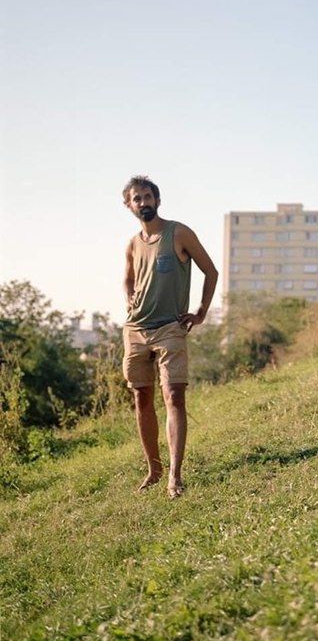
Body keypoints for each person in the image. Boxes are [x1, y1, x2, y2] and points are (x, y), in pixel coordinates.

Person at [122, 175, 218, 497]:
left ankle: (174, 476)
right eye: (138, 199)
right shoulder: (133, 243)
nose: (144, 203)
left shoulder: (179, 233)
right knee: (141, 399)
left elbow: (211, 271)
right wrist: (129, 296)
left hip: (170, 328)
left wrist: (202, 310)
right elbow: (127, 279)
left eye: (148, 197)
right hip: (135, 330)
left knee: (174, 396)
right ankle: (154, 468)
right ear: (129, 205)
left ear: (158, 200)